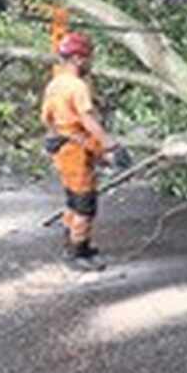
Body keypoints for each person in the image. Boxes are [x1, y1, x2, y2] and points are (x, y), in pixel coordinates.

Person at [41, 32, 131, 271]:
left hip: (63, 148)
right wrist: (111, 146)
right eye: (89, 58)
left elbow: (45, 117)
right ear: (79, 59)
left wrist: (52, 136)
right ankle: (77, 254)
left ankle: (73, 244)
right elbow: (88, 120)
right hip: (76, 149)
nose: (90, 62)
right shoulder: (77, 86)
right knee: (84, 203)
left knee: (72, 199)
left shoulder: (55, 84)